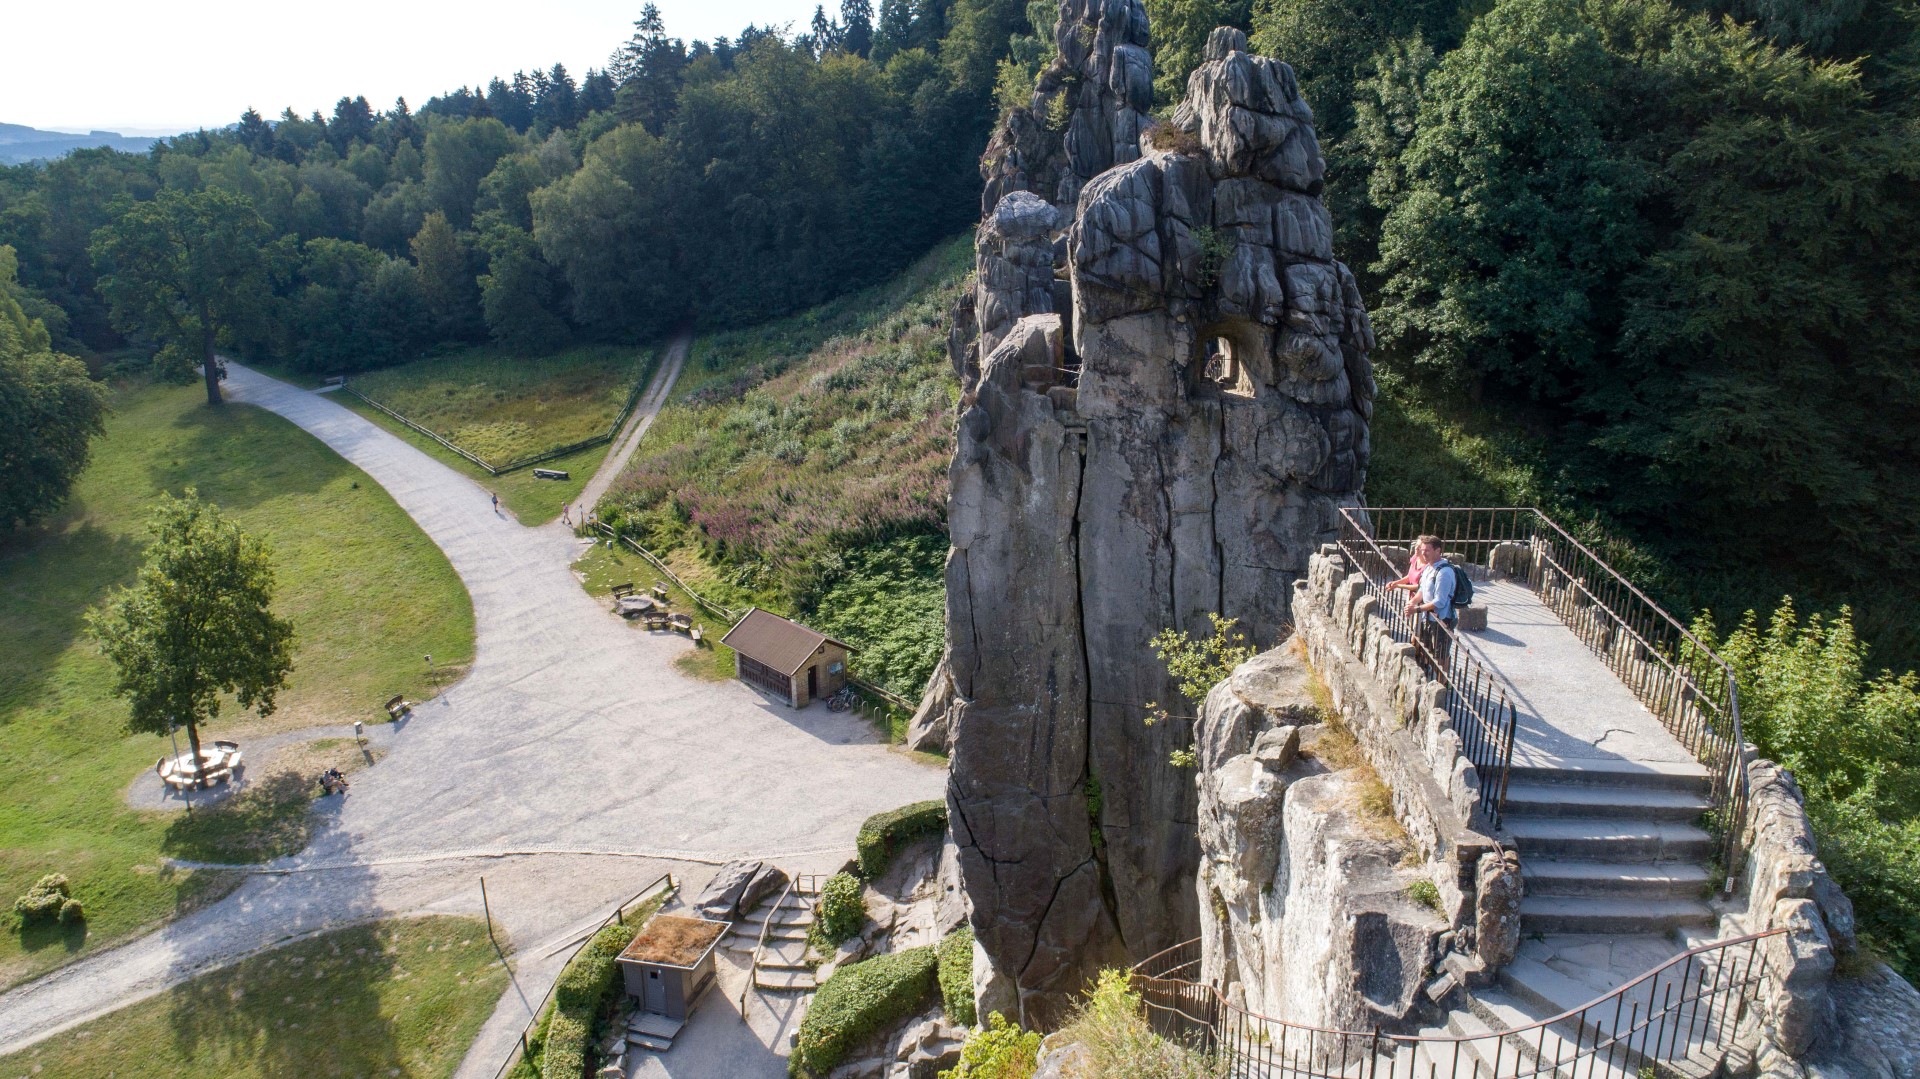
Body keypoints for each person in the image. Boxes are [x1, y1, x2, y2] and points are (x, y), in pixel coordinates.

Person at [1403, 534, 1457, 679]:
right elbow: (1421, 590)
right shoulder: (1429, 568)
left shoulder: (1444, 572)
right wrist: (1412, 603)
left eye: (1427, 550)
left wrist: (1417, 609)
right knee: (1426, 649)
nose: (1423, 553)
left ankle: (1443, 683)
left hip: (1442, 619)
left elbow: (1440, 602)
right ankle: (1431, 677)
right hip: (1429, 617)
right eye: (1422, 550)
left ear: (1438, 551)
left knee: (1441, 654)